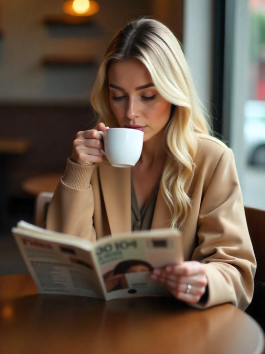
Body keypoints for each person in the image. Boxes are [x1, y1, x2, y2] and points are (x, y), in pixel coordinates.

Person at [47, 17, 256, 309]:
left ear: (174, 94)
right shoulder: (94, 159)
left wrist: (204, 279)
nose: (131, 113)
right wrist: (78, 171)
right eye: (118, 96)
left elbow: (235, 270)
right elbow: (66, 264)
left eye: (148, 96)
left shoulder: (212, 160)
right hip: (103, 324)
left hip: (179, 326)